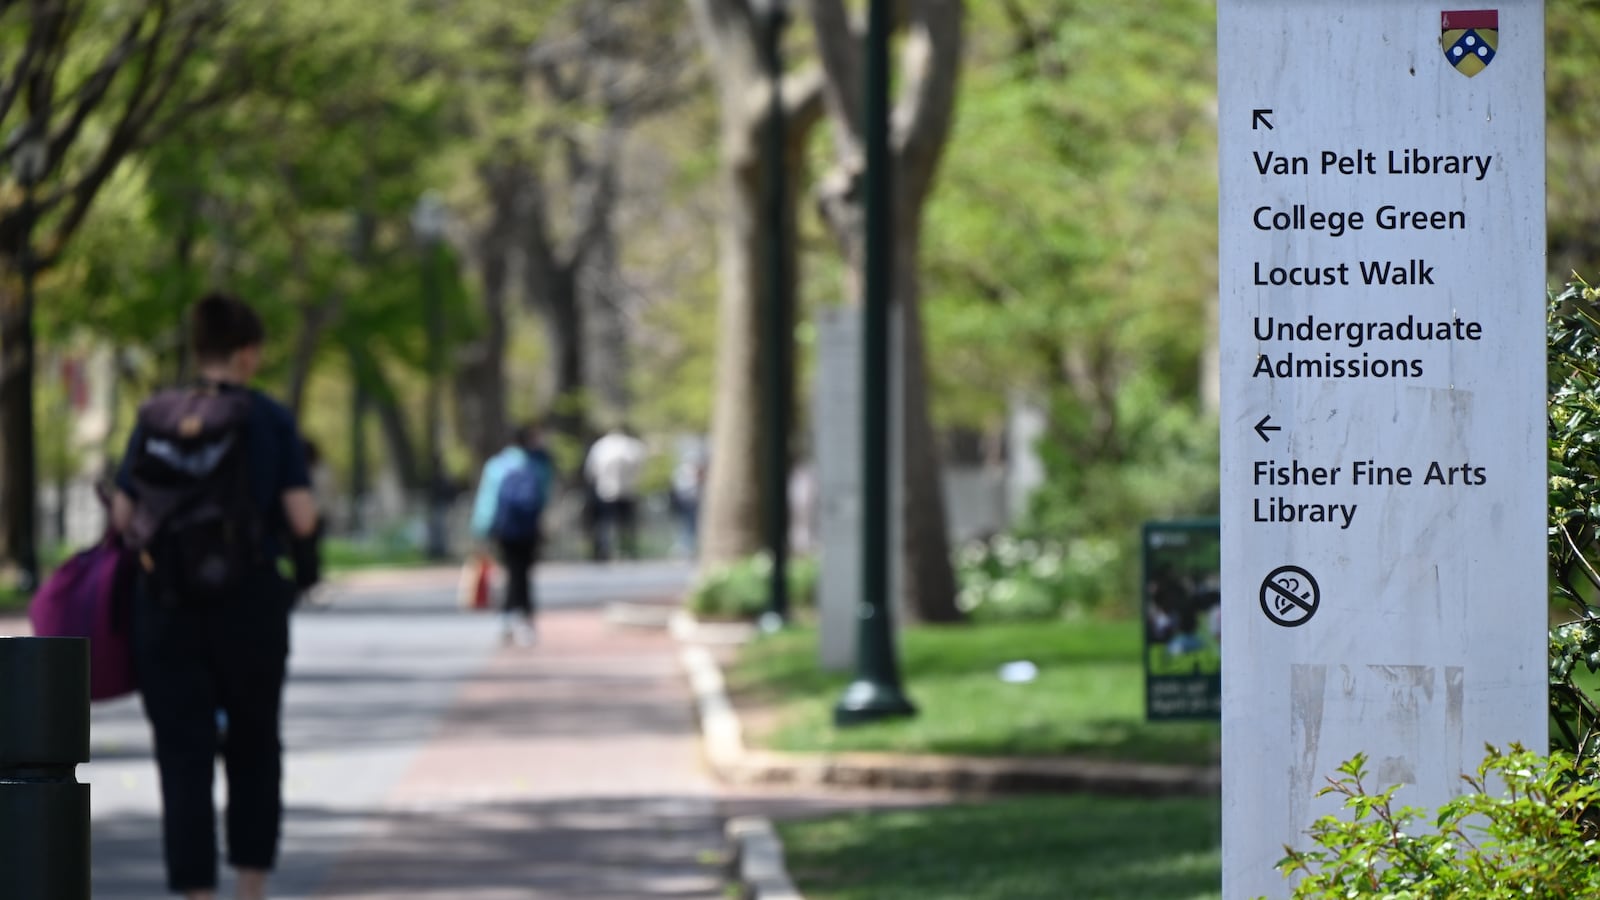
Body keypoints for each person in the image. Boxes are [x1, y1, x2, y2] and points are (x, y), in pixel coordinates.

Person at [112, 292, 318, 900]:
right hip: (247, 602)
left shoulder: (154, 418)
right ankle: (249, 886)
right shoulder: (269, 419)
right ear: (249, 354)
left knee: (182, 755)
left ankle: (195, 892)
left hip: (167, 605)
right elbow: (301, 517)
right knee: (255, 742)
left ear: (199, 350)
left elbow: (124, 513)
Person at [470, 422, 554, 645]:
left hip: (504, 529)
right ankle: (525, 619)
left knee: (510, 572)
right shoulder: (536, 465)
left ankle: (506, 618)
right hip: (528, 528)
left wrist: (481, 528)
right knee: (524, 573)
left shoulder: (497, 465)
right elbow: (543, 497)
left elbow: (488, 500)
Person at [583, 423, 647, 561]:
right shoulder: (631, 446)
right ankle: (626, 550)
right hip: (627, 491)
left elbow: (591, 471)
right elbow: (640, 467)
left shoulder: (600, 447)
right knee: (626, 524)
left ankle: (607, 550)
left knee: (606, 523)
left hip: (607, 491)